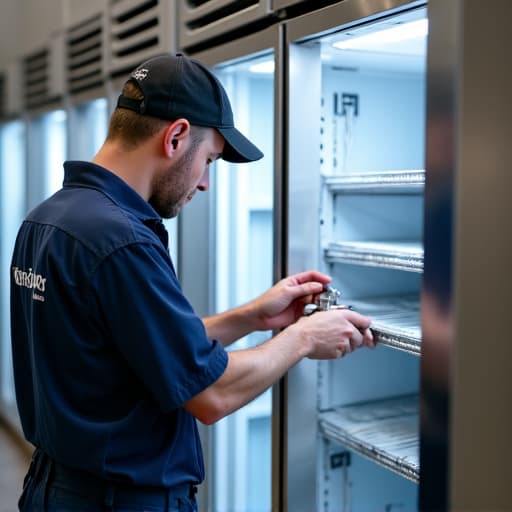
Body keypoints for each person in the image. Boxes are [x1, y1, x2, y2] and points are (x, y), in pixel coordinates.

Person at [10, 52, 374, 512]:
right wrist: (303, 338)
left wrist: (253, 316)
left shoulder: (50, 218)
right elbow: (211, 394)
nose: (204, 184)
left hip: (54, 489)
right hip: (119, 501)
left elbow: (136, 343)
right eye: (210, 160)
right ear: (177, 136)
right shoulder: (121, 240)